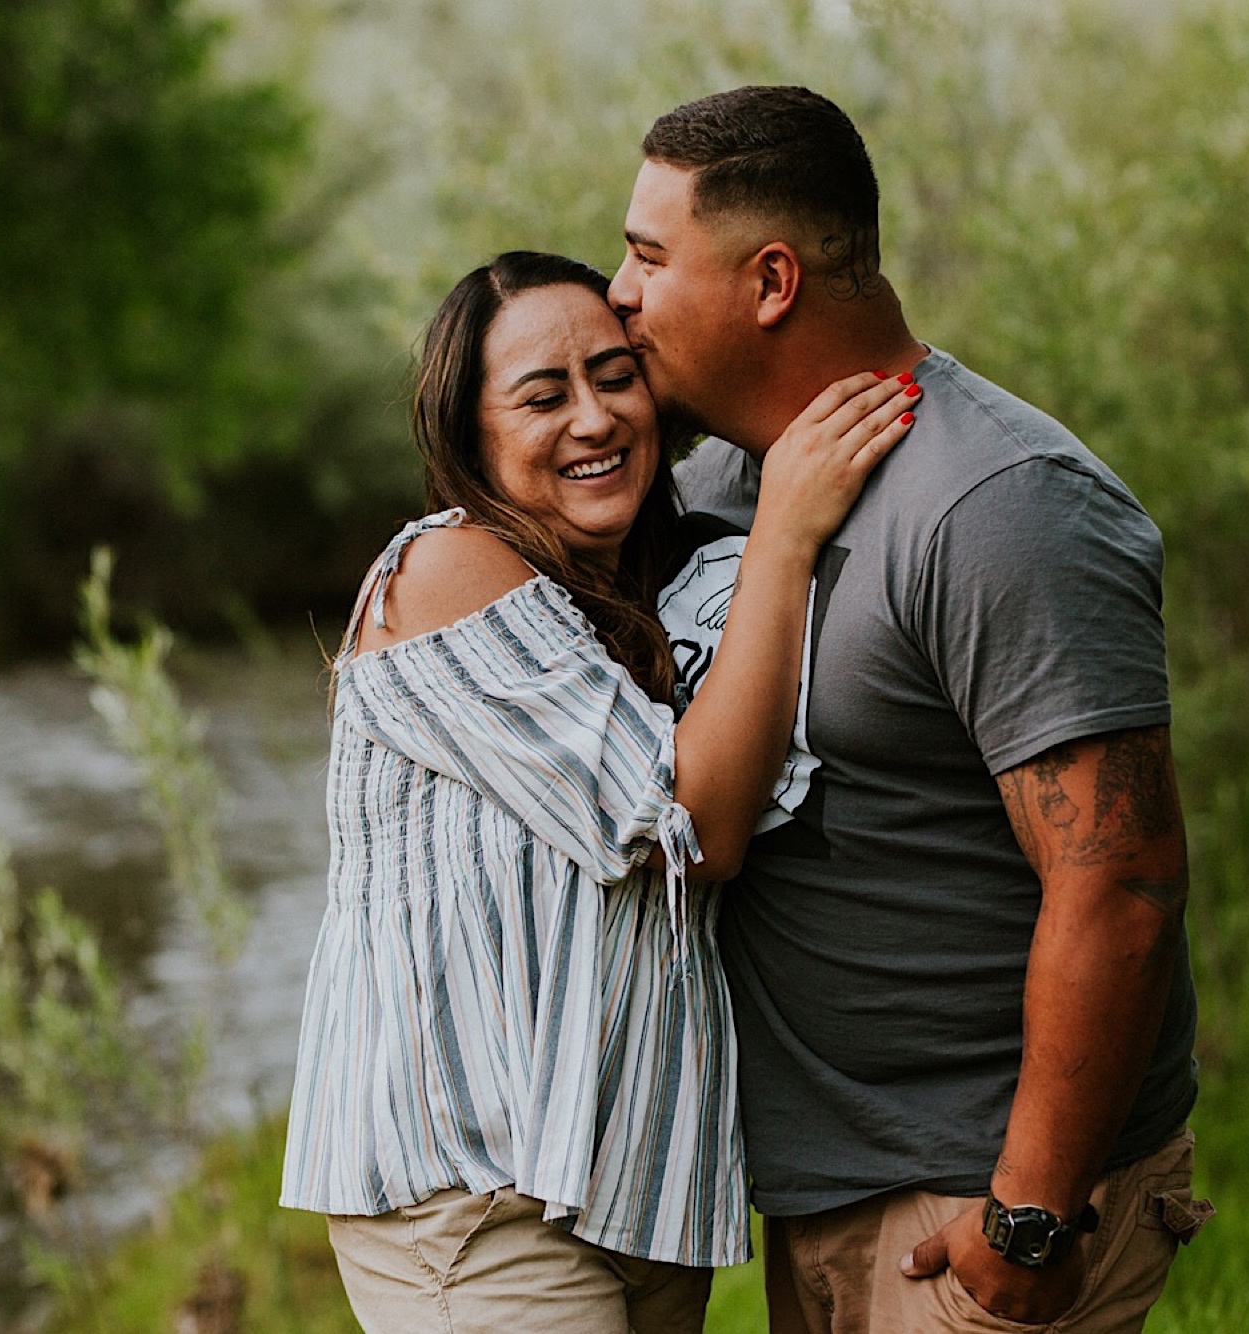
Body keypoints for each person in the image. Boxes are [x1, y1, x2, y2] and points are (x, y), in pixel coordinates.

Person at [611, 85, 1210, 1332]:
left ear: (769, 279)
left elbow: (1122, 878)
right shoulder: (721, 481)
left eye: (648, 256)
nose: (619, 291)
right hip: (821, 1183)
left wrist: (1027, 1217)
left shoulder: (998, 503)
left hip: (977, 1195)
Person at [279, 249, 917, 1333]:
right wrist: (785, 532)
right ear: (469, 435)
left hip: (633, 1191)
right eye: (541, 395)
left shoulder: (655, 591)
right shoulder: (445, 570)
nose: (592, 416)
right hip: (474, 1191)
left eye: (615, 376)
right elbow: (695, 824)